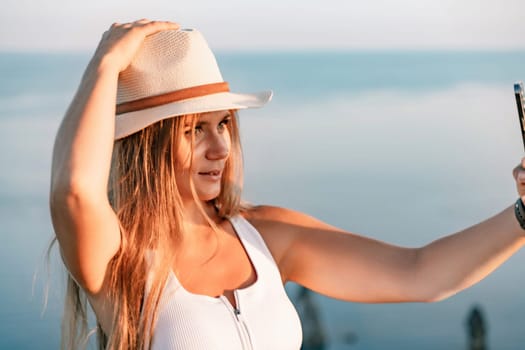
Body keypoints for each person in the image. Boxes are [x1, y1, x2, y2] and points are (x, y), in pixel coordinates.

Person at [49, 19, 525, 350]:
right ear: (146, 145)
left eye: (224, 125)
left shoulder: (266, 235)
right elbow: (73, 191)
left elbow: (422, 273)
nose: (220, 149)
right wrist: (106, 65)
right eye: (193, 130)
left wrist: (522, 214)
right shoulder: (122, 259)